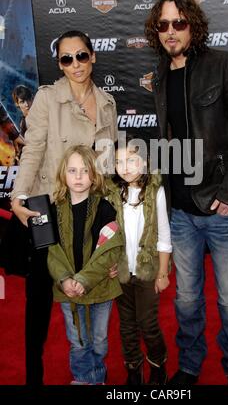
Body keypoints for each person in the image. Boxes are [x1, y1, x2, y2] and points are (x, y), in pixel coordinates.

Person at [144, 0, 228, 386]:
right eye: (163, 24)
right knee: (186, 299)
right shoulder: (160, 74)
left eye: (178, 22)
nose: (170, 31)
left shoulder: (223, 65)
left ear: (193, 25)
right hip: (179, 210)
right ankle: (191, 366)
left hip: (222, 208)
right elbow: (169, 138)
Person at [10, 30, 118, 385]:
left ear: (93, 57)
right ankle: (34, 376)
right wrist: (18, 196)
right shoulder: (46, 99)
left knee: (91, 287)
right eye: (66, 59)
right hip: (47, 205)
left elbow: (108, 166)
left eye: (81, 56)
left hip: (90, 209)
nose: (75, 65)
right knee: (39, 296)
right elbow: (33, 150)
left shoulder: (106, 103)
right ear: (59, 63)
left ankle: (89, 371)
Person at [47, 145, 122, 385]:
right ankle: (82, 377)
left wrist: (84, 280)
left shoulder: (105, 208)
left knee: (99, 340)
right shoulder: (53, 210)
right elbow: (51, 250)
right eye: (72, 170)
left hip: (101, 287)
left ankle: (97, 375)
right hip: (66, 288)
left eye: (84, 170)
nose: (78, 177)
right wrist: (65, 279)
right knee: (77, 339)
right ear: (63, 174)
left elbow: (109, 250)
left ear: (94, 175)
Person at [106, 136, 172, 385]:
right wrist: (110, 263)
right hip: (122, 272)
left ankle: (158, 363)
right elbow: (106, 235)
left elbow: (164, 235)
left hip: (148, 271)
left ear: (144, 162)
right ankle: (133, 368)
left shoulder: (157, 192)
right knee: (127, 325)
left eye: (131, 160)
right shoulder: (113, 193)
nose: (125, 167)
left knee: (147, 322)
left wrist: (163, 273)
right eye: (118, 161)